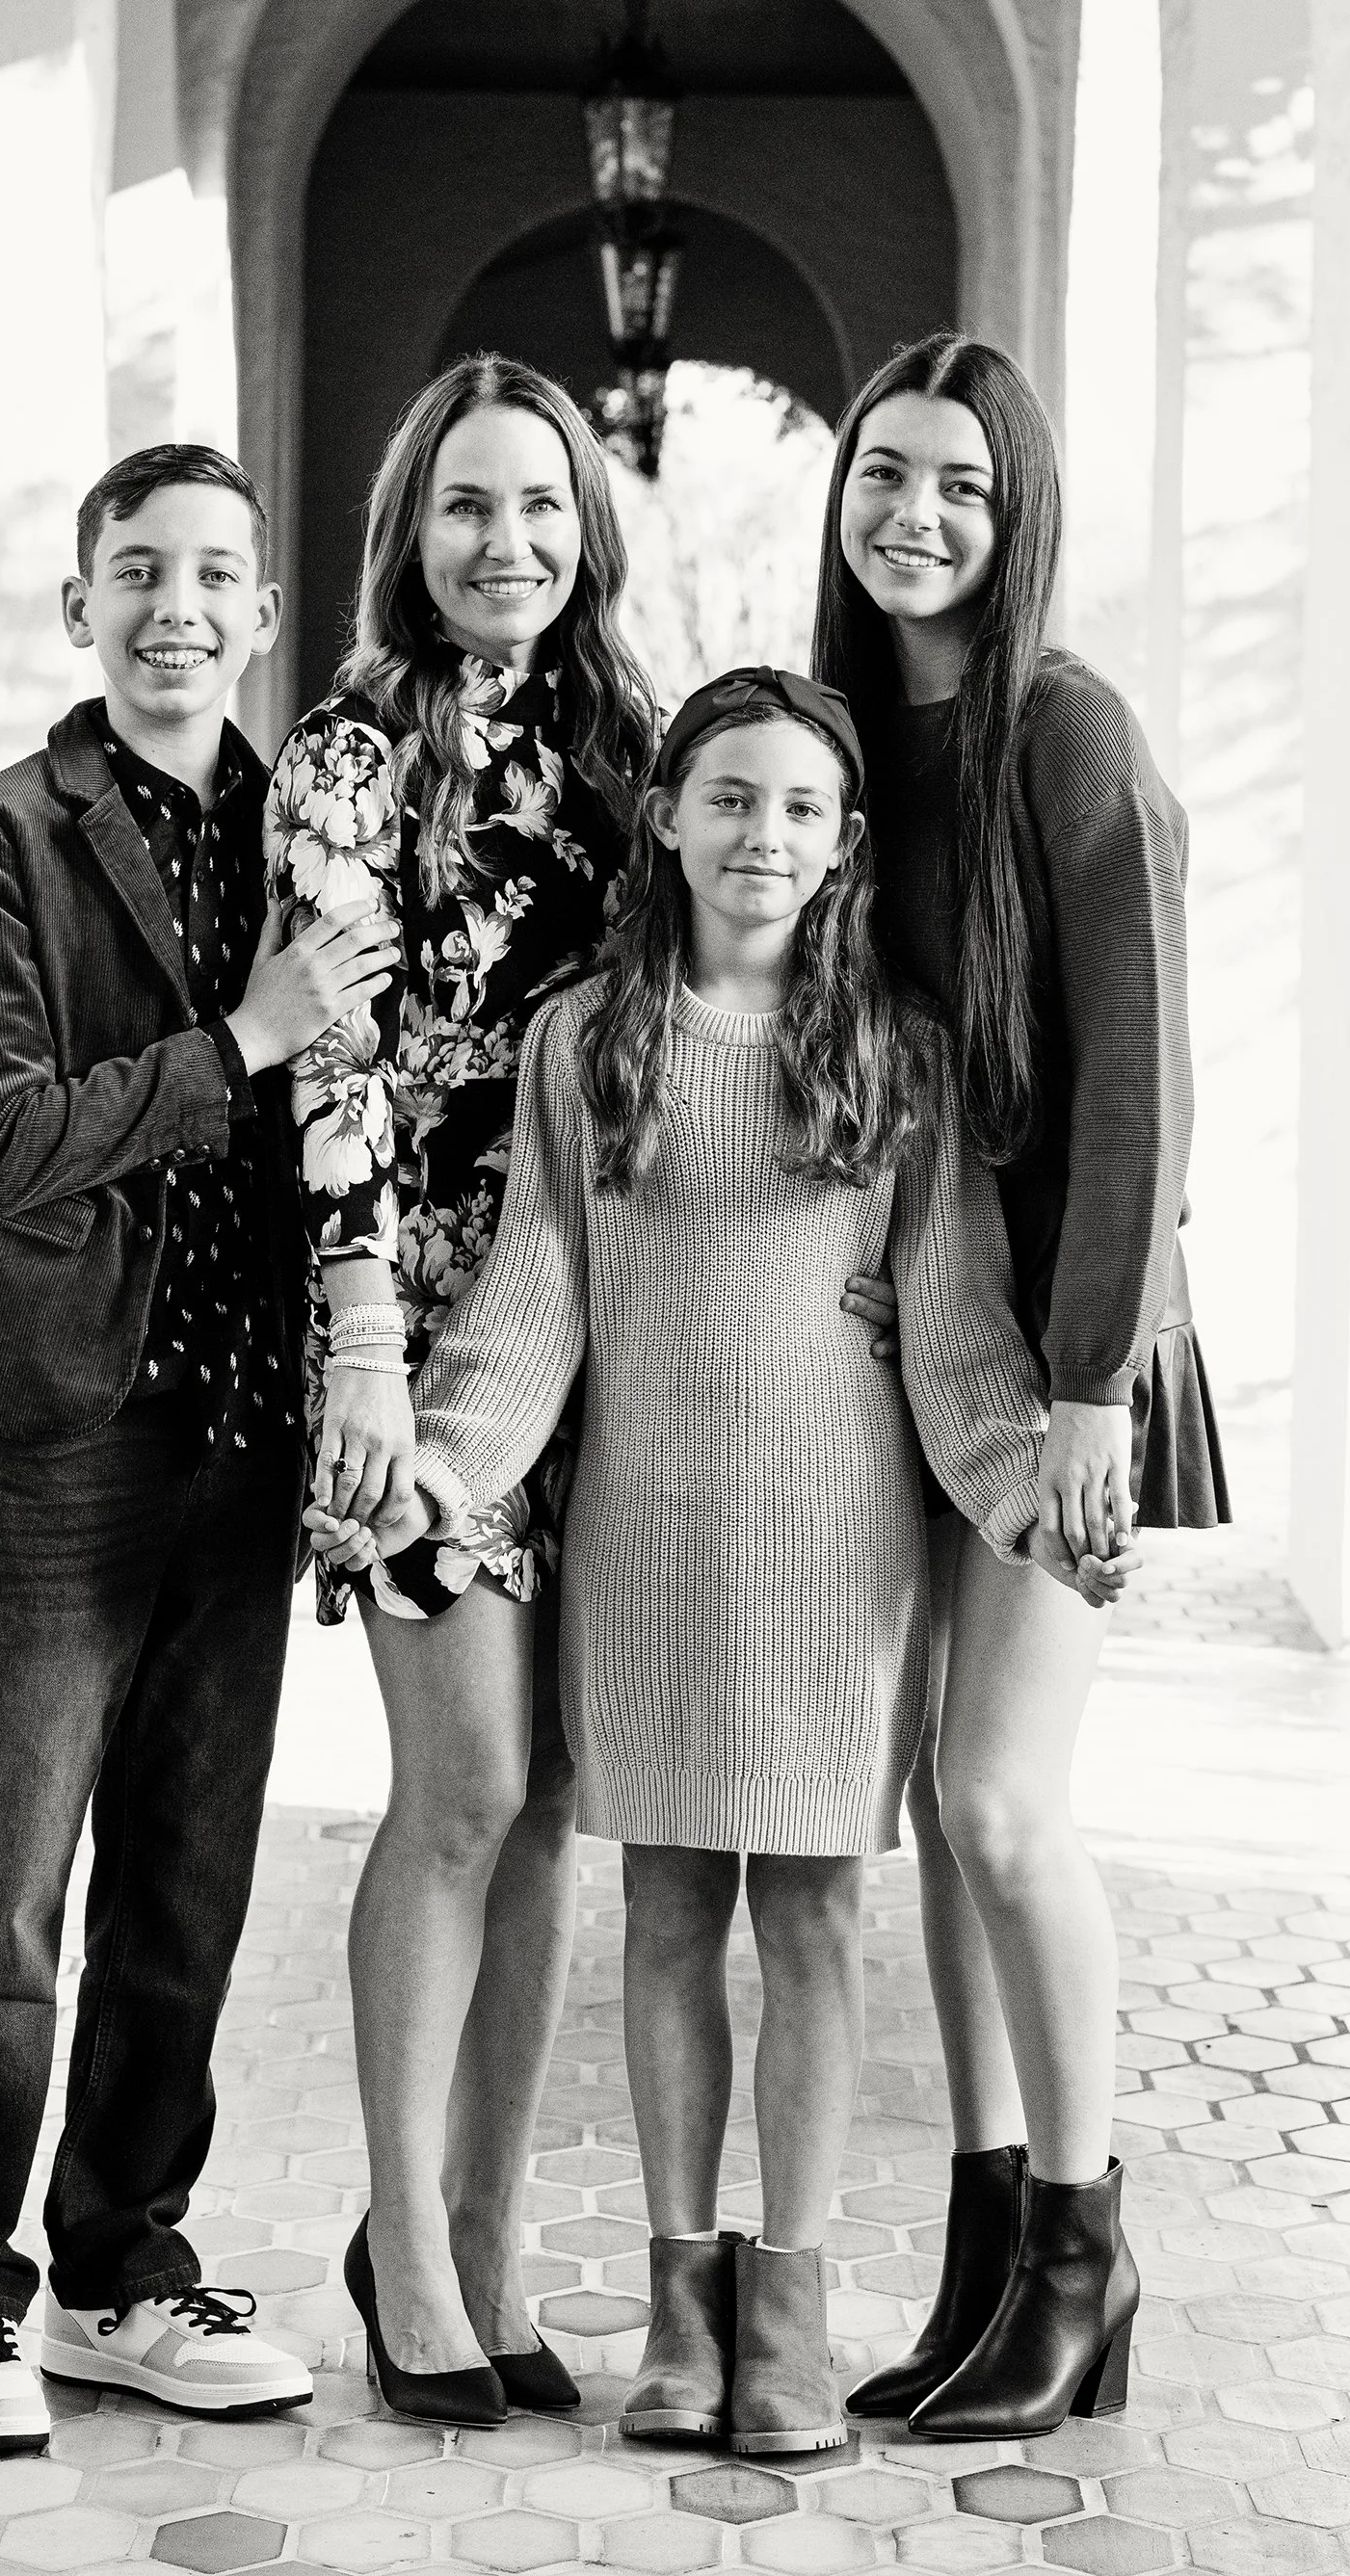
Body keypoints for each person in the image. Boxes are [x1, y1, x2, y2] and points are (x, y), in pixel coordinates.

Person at [349, 669, 1109, 2460]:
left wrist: (1025, 1492)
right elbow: (532, 1299)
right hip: (650, 1531)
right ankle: (680, 2306)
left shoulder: (894, 1053)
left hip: (841, 1548)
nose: (761, 836)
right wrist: (437, 1474)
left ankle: (793, 2301)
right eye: (727, 800)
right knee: (674, 1913)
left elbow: (951, 1320)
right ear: (670, 822)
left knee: (821, 1919)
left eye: (797, 810)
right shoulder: (586, 1041)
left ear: (843, 847)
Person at [0, 442, 397, 2456]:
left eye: (219, 574)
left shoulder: (318, 837)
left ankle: (119, 2268)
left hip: (247, 1424)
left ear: (266, 612)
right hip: (56, 1418)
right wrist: (239, 1041)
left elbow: (364, 1129)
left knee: (186, 1874)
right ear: (78, 606)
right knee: (6, 1878)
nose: (180, 603)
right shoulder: (1, 833)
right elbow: (3, 1141)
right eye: (138, 570)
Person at [810, 332, 1227, 2439]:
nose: (917, 513)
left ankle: (1088, 2244)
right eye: (887, 472)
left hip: (1065, 1342)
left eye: (962, 485)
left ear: (1019, 508)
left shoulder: (1071, 730)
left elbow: (1139, 1084)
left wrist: (1093, 1389)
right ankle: (989, 2250)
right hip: (914, 1331)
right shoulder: (855, 737)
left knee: (997, 1796)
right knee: (927, 1814)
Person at [263, 355, 656, 2428]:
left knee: (563, 1806)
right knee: (467, 1788)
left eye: (542, 507)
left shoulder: (639, 750)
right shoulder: (343, 758)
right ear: (409, 533)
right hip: (416, 1318)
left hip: (606, 1321)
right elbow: (328, 1069)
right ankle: (404, 2246)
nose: (506, 542)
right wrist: (357, 1339)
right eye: (466, 507)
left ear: (589, 532)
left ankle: (488, 2246)